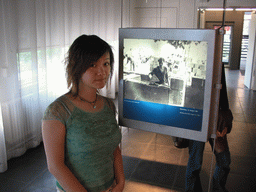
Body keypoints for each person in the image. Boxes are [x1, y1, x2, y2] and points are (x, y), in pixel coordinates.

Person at [42, 35, 125, 192]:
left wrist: (120, 182)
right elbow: (55, 166)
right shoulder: (58, 111)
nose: (102, 72)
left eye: (106, 64)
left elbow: (114, 149)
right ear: (76, 66)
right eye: (92, 64)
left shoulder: (108, 106)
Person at [185, 64, 233, 192]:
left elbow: (222, 88)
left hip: (216, 118)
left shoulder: (217, 55)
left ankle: (218, 188)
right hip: (197, 117)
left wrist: (224, 121)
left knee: (224, 160)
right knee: (195, 162)